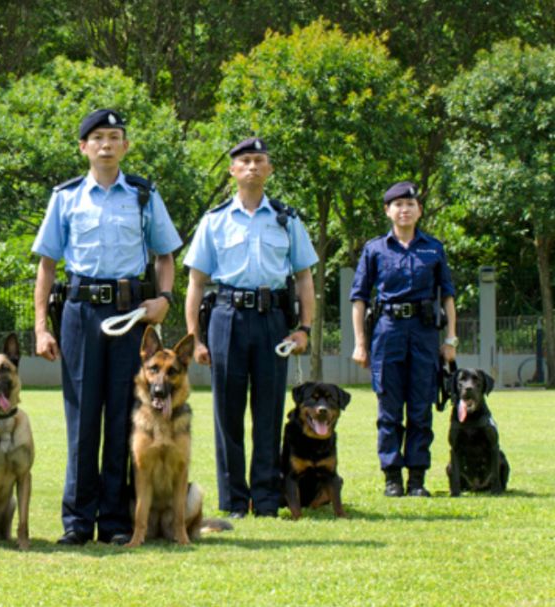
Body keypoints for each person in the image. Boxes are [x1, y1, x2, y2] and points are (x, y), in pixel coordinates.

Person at [33, 109, 182, 545]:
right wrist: (42, 327)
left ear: (125, 146)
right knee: (82, 416)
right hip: (80, 313)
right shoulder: (65, 197)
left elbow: (166, 255)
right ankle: (77, 520)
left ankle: (116, 520)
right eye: (97, 137)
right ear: (83, 147)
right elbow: (46, 264)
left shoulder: (142, 195)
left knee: (124, 414)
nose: (106, 144)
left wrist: (165, 299)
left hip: (131, 314)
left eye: (114, 137)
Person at [184, 137, 317, 518]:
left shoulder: (286, 219)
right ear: (232, 170)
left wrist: (304, 327)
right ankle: (234, 500)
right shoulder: (214, 221)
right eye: (244, 161)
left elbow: (304, 277)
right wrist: (196, 338)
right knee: (227, 413)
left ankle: (266, 496)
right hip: (227, 317)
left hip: (273, 320)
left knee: (269, 410)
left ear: (269, 169)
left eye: (259, 160)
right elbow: (195, 281)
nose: (252, 167)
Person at [350, 181, 457, 497]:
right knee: (390, 408)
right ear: (388, 211)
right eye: (398, 205)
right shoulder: (375, 249)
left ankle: (417, 480)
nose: (404, 210)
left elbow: (447, 296)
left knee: (422, 407)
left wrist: (450, 338)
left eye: (410, 204)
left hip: (424, 333)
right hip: (388, 332)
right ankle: (392, 478)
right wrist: (359, 343)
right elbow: (359, 298)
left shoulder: (433, 248)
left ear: (419, 210)